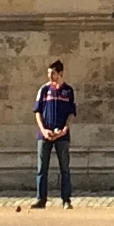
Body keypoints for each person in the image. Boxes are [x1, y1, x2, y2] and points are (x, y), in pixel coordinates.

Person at [32, 59, 76, 207]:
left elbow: (71, 113)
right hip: (45, 135)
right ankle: (41, 199)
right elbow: (37, 112)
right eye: (49, 73)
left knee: (65, 168)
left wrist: (65, 129)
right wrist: (43, 130)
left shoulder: (68, 91)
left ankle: (66, 199)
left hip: (62, 136)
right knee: (42, 168)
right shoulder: (44, 90)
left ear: (60, 73)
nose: (50, 76)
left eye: (53, 73)